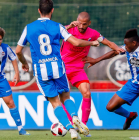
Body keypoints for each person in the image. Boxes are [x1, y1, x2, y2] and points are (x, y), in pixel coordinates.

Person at [15, 0, 101, 139]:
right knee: (66, 97)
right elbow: (77, 42)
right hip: (58, 68)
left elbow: (18, 51)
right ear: (52, 10)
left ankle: (71, 130)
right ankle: (74, 116)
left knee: (55, 103)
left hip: (41, 71)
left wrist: (24, 63)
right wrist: (92, 42)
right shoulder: (58, 26)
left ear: (38, 10)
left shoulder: (29, 28)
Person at [60, 11, 124, 134]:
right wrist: (69, 26)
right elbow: (54, 34)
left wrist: (118, 49)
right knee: (64, 96)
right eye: (79, 23)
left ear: (89, 23)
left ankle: (83, 126)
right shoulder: (67, 30)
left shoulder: (93, 34)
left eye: (84, 24)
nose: (81, 26)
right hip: (63, 68)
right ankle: (70, 125)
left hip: (78, 69)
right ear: (76, 21)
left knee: (87, 93)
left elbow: (109, 43)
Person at [82, 28, 139, 130]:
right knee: (110, 107)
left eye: (127, 45)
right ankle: (130, 116)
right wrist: (96, 60)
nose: (125, 47)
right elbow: (114, 52)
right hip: (134, 84)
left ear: (134, 43)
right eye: (124, 45)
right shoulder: (128, 49)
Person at [0, 27, 29, 135]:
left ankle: (21, 129)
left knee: (11, 103)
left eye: (0, 39)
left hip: (1, 80)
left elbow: (13, 58)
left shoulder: (5, 48)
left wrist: (17, 73)